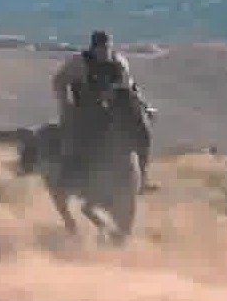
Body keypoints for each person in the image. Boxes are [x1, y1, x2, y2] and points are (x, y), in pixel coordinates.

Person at [50, 30, 158, 191]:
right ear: (93, 48)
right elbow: (59, 81)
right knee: (73, 137)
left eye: (107, 47)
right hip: (86, 107)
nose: (104, 51)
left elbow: (130, 88)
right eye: (100, 48)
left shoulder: (119, 62)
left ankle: (142, 177)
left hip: (114, 107)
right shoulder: (79, 62)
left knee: (142, 131)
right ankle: (68, 178)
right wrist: (65, 104)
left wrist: (144, 107)